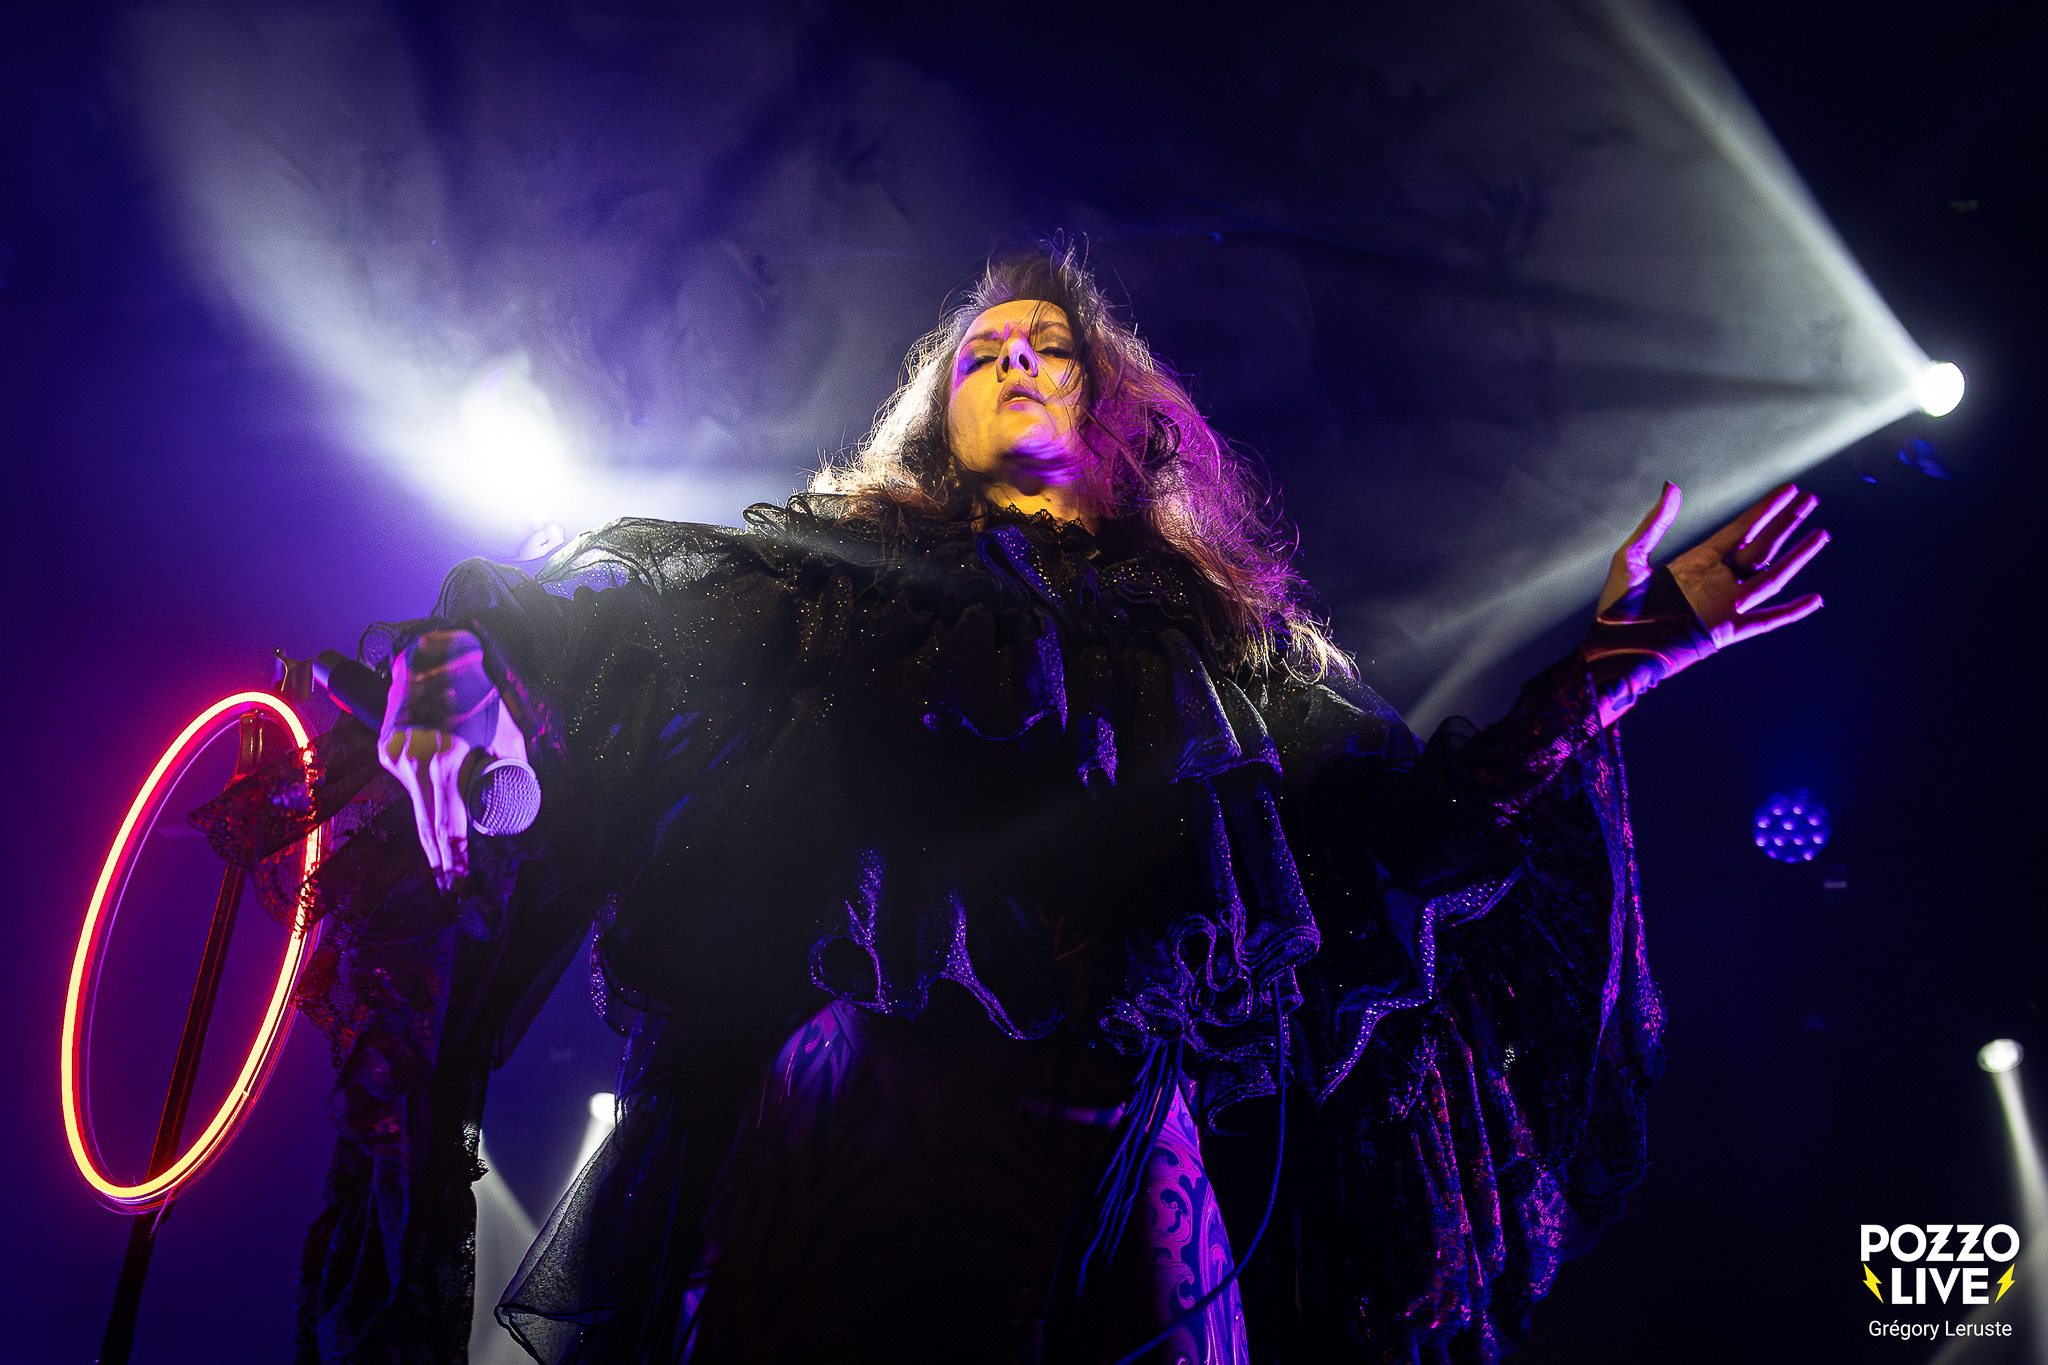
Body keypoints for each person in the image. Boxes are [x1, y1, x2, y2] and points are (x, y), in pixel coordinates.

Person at [216, 247, 1824, 1365]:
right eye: (980, 350)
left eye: (1049, 343)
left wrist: (1604, 673)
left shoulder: (1233, 651)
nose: (1012, 358)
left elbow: (1398, 845)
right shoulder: (819, 586)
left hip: (1123, 1144)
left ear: (1119, 411)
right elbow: (614, 652)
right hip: (842, 1120)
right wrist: (469, 656)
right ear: (936, 410)